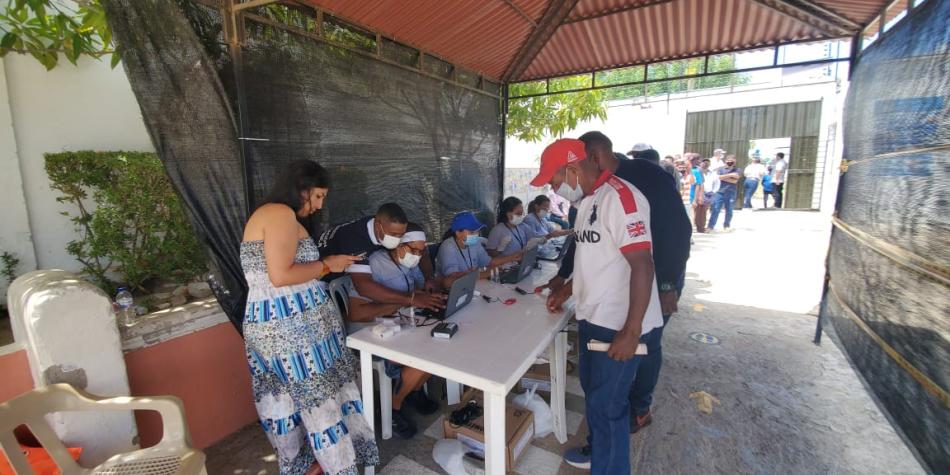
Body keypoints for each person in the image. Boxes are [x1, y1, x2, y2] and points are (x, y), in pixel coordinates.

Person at [540, 132, 691, 444]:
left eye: (554, 181)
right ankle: (599, 451)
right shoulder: (585, 203)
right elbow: (589, 255)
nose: (553, 189)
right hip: (593, 315)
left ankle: (626, 429)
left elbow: (643, 264)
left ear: (574, 170)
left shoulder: (622, 197)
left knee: (608, 408)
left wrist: (632, 331)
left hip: (617, 322)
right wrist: (565, 289)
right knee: (597, 399)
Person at [240, 160, 378, 475]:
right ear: (300, 188)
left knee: (292, 402)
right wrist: (328, 265)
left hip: (290, 326)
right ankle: (336, 467)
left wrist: (329, 263)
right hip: (291, 329)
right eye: (317, 196)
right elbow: (280, 275)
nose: (319, 206)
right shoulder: (279, 214)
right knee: (321, 404)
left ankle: (311, 466)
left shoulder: (279, 216)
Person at [345, 224, 440, 439]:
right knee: (423, 356)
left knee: (440, 345)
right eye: (413, 250)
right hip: (369, 334)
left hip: (397, 326)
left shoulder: (408, 262)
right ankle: (392, 408)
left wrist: (429, 292)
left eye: (421, 251)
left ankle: (411, 391)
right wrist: (405, 301)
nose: (417, 256)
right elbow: (356, 314)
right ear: (398, 245)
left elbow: (414, 291)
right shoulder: (375, 264)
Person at [318, 203, 443, 312]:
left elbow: (423, 252)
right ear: (378, 226)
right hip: (317, 277)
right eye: (394, 234)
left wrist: (428, 278)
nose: (398, 239)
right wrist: (410, 299)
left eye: (401, 235)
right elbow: (363, 286)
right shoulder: (355, 240)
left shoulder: (383, 224)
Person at [435, 211, 522, 287]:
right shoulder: (448, 247)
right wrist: (487, 273)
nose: (476, 235)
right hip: (454, 290)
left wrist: (512, 257)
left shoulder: (473, 242)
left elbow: (489, 262)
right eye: (472, 232)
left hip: (473, 285)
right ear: (458, 233)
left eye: (477, 231)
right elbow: (453, 278)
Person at [708, 154, 740, 231]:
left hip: (731, 192)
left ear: (735, 162)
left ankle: (726, 226)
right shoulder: (720, 169)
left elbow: (735, 180)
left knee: (729, 210)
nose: (730, 162)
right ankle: (710, 226)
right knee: (716, 209)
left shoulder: (737, 170)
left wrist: (723, 177)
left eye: (732, 161)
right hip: (719, 192)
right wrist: (731, 175)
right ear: (725, 161)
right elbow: (717, 177)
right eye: (728, 161)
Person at [694, 158, 719, 233]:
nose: (705, 164)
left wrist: (713, 191)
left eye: (707, 162)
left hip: (708, 194)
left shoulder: (712, 173)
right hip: (697, 193)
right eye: (704, 162)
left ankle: (701, 227)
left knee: (704, 211)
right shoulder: (697, 171)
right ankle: (696, 225)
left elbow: (717, 183)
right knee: (696, 211)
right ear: (701, 163)